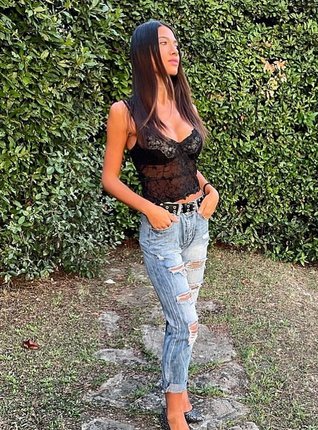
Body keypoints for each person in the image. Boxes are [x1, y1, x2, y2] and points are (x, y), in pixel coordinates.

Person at [101, 19, 219, 430]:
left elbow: (186, 165)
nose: (174, 50)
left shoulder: (184, 105)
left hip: (196, 225)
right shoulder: (126, 112)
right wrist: (149, 209)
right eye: (163, 43)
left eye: (175, 43)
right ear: (144, 52)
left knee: (184, 319)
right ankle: (173, 412)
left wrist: (210, 190)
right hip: (162, 231)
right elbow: (110, 178)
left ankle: (179, 393)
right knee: (185, 321)